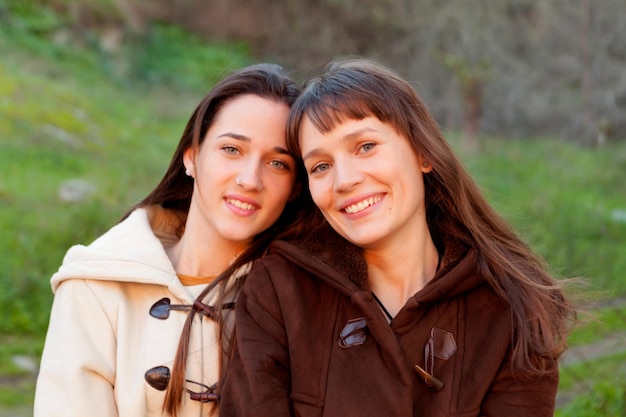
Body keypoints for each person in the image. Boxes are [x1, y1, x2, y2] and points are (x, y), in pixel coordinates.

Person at [219, 58, 576, 417]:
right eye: (321, 166)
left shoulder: (509, 309)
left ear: (423, 152)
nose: (344, 180)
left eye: (365, 146)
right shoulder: (280, 291)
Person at [33, 63, 313, 417]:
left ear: (295, 188)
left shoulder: (303, 296)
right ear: (192, 156)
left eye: (277, 163)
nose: (250, 179)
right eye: (231, 150)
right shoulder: (96, 284)